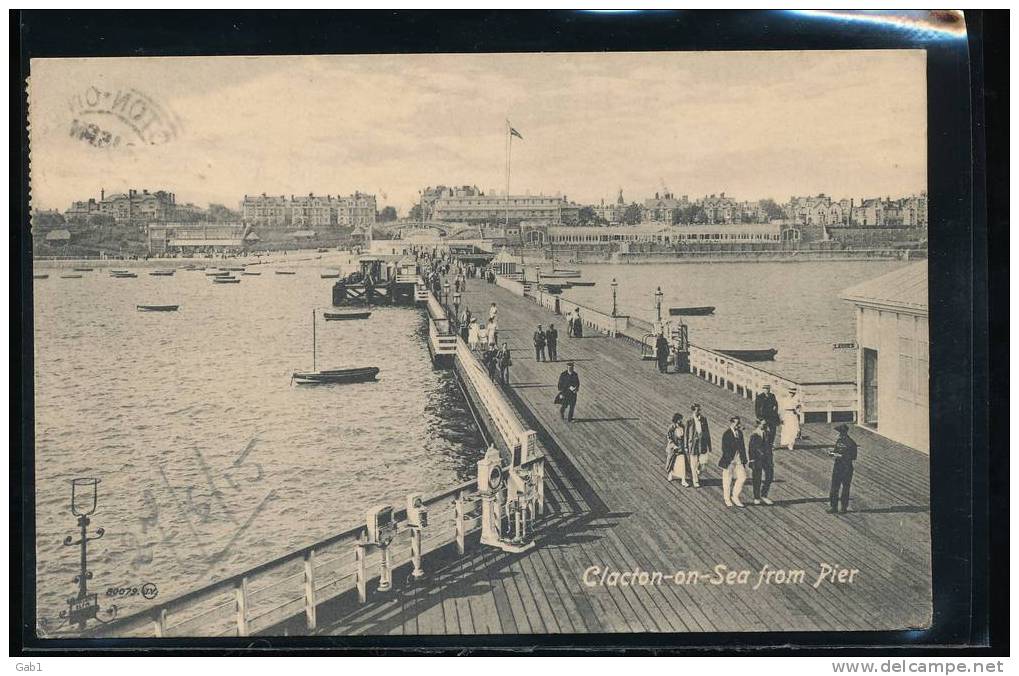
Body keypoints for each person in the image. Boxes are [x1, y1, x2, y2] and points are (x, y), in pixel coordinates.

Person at [719, 416, 748, 507]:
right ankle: (727, 499)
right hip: (729, 461)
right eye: (736, 423)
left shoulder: (740, 433)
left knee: (743, 477)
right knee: (727, 480)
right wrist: (730, 460)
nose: (738, 425)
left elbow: (742, 447)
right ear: (731, 423)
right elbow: (724, 448)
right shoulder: (726, 434)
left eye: (739, 423)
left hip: (739, 460)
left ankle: (735, 496)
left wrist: (744, 459)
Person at [828, 424, 858, 514]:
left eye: (840, 433)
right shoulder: (839, 441)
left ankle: (843, 508)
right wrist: (833, 453)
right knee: (834, 487)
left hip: (846, 467)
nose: (839, 435)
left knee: (845, 488)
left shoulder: (851, 443)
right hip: (838, 466)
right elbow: (836, 451)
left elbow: (853, 457)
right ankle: (834, 507)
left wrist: (839, 455)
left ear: (844, 433)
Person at [748, 418, 775, 505]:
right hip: (757, 459)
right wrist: (751, 460)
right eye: (763, 424)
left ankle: (764, 495)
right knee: (757, 479)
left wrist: (770, 458)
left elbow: (769, 446)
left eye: (765, 424)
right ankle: (756, 497)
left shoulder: (767, 433)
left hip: (767, 459)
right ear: (758, 424)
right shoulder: (754, 435)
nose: (764, 426)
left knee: (769, 476)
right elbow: (751, 449)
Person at [684, 403, 711, 484]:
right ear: (693, 410)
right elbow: (686, 434)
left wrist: (709, 445)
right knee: (693, 463)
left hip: (702, 444)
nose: (699, 411)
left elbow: (707, 432)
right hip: (693, 445)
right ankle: (695, 481)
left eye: (699, 410)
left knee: (703, 464)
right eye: (697, 410)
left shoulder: (703, 419)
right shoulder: (689, 420)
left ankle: (698, 469)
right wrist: (686, 446)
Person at [754, 384, 781, 449]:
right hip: (764, 417)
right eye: (765, 389)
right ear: (763, 389)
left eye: (768, 389)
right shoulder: (759, 397)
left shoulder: (772, 396)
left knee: (773, 431)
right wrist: (760, 418)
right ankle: (765, 444)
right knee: (765, 431)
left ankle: (771, 444)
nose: (766, 390)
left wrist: (775, 409)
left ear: (769, 389)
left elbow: (775, 404)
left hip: (772, 417)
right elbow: (757, 408)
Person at [665, 413, 689, 485]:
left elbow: (685, 437)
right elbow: (669, 437)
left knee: (682, 464)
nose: (680, 421)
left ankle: (683, 480)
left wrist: (686, 446)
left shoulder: (683, 427)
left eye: (681, 419)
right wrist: (674, 445)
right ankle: (670, 474)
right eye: (679, 419)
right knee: (672, 462)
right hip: (673, 449)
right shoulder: (671, 427)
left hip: (681, 448)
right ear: (676, 420)